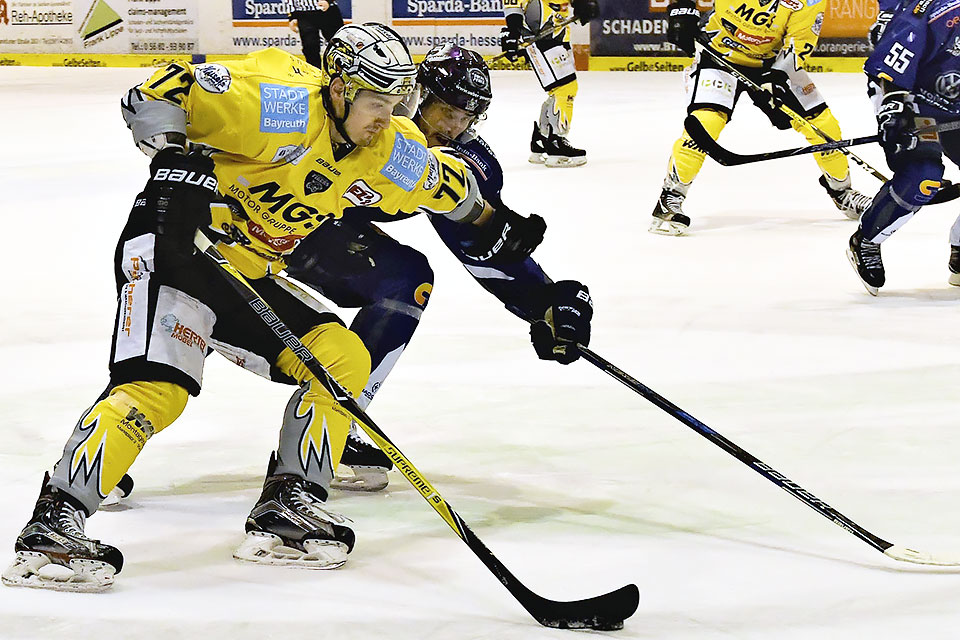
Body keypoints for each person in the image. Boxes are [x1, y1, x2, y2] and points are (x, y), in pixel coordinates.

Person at [1, 23, 546, 592]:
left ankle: (289, 505)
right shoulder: (281, 103)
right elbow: (158, 93)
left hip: (249, 274)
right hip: (178, 249)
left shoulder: (382, 149)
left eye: (394, 101)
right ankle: (54, 525)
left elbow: (446, 187)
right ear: (337, 88)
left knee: (343, 358)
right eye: (374, 102)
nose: (385, 116)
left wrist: (497, 226)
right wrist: (173, 165)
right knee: (158, 389)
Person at [282, 29, 594, 491]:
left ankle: (339, 420)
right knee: (194, 303)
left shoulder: (444, 157)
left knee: (406, 279)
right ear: (418, 94)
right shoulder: (358, 111)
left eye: (467, 117)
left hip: (310, 230)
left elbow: (479, 243)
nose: (453, 127)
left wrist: (544, 299)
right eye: (447, 110)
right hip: (247, 213)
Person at [651, 0, 874, 235]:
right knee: (706, 122)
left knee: (821, 123)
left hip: (772, 63)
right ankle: (671, 197)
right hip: (717, 55)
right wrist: (682, 9)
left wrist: (776, 78)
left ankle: (842, 192)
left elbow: (799, 42)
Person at [846, 0, 960, 294]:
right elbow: (895, 54)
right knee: (922, 175)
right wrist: (896, 104)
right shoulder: (940, 11)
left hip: (955, 106)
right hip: (913, 100)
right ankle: (867, 240)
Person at [499, 0, 599, 167]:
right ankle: (556, 142)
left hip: (556, 34)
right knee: (565, 88)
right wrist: (512, 31)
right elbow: (513, 5)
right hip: (541, 36)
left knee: (558, 89)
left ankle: (543, 138)